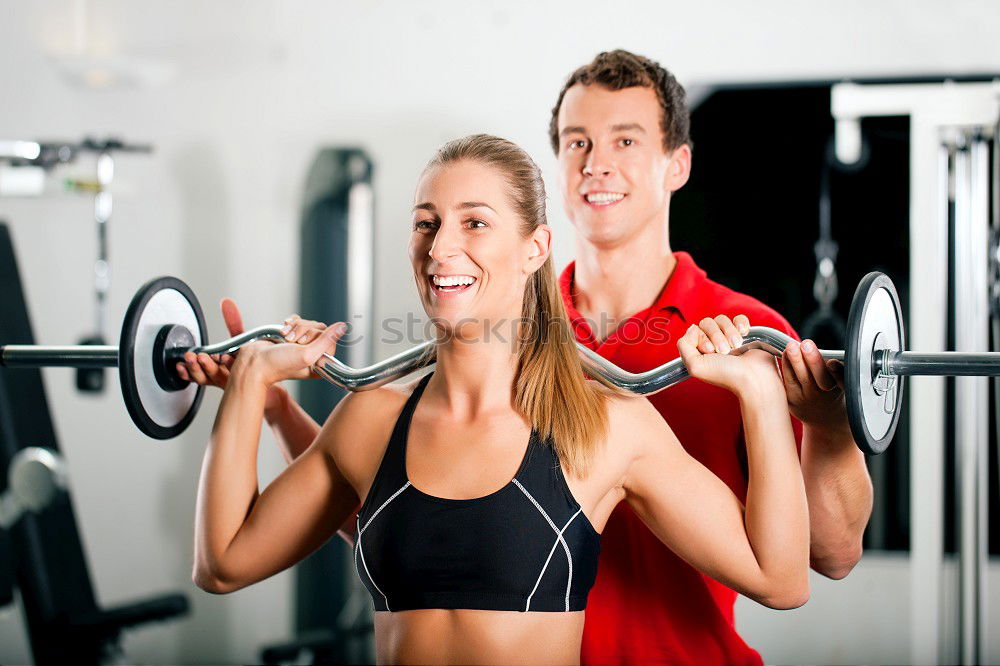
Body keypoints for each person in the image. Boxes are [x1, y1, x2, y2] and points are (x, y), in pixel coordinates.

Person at [190, 134, 809, 665]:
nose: (439, 249)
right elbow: (223, 563)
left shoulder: (605, 426)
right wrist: (251, 387)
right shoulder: (370, 420)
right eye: (426, 222)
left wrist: (758, 391)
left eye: (474, 222)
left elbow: (780, 580)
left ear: (535, 249)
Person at [549, 49, 874, 664]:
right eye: (577, 143)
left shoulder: (751, 336)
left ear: (677, 165)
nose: (596, 164)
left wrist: (832, 434)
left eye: (625, 141)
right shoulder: (519, 336)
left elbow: (832, 554)